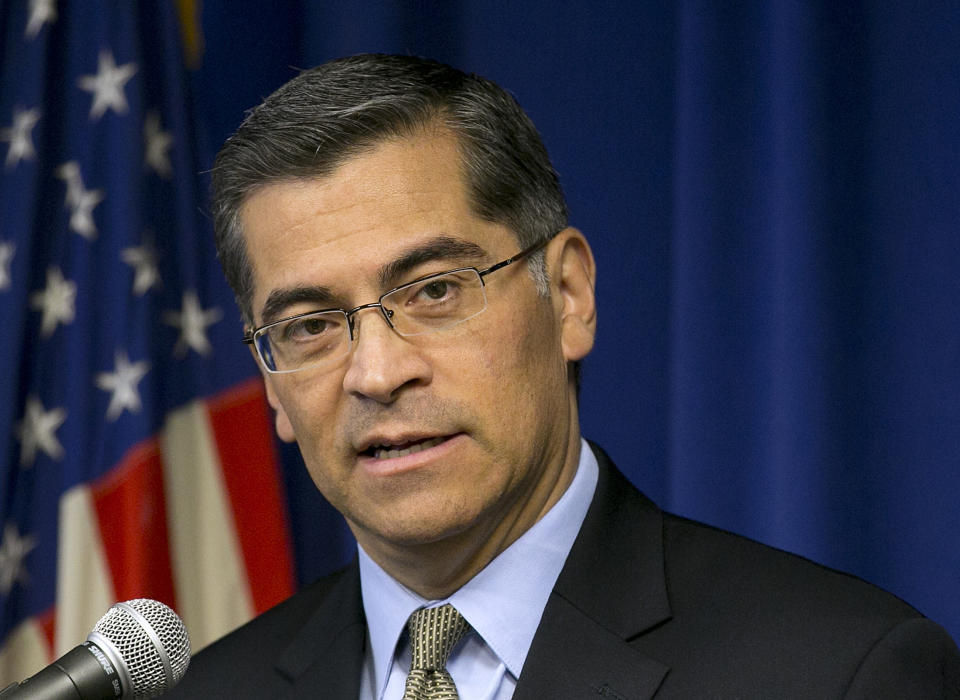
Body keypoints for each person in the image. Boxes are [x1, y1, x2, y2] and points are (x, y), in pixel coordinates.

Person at [168, 53, 960, 699]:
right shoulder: (207, 692)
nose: (376, 372)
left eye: (436, 290)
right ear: (271, 383)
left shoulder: (838, 674)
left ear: (570, 297)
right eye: (310, 326)